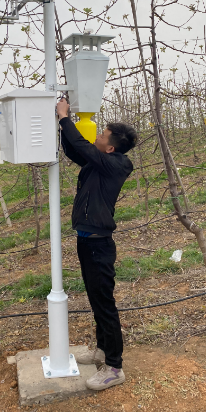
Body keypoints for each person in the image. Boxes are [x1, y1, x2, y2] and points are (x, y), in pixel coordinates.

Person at [56, 98, 138, 391]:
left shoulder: (114, 165)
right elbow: (75, 150)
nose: (97, 136)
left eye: (102, 135)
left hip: (99, 246)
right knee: (96, 300)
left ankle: (115, 368)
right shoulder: (100, 163)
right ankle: (103, 351)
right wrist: (62, 126)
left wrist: (65, 118)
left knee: (104, 305)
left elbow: (84, 147)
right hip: (87, 242)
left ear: (111, 148)